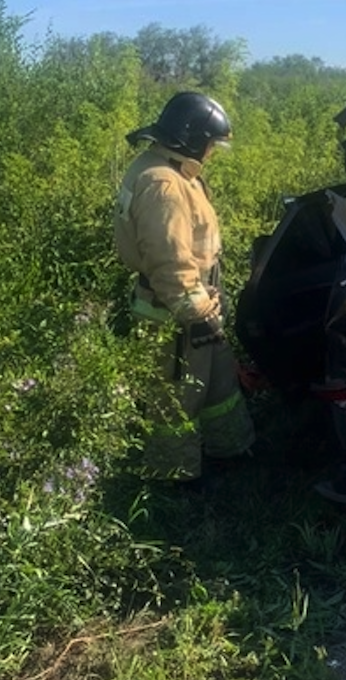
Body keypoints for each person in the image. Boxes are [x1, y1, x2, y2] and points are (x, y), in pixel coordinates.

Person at [114, 91, 256, 483]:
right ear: (192, 138)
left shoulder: (169, 169)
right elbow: (169, 261)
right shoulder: (164, 185)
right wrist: (195, 313)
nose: (212, 151)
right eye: (211, 143)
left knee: (215, 386)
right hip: (174, 315)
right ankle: (172, 479)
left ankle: (228, 451)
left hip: (195, 303)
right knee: (176, 400)